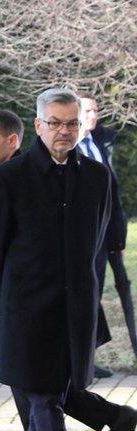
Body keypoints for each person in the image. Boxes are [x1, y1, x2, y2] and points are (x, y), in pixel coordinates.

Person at [0, 110, 136, 431]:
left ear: (12, 140)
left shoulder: (33, 178)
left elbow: (24, 242)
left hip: (37, 300)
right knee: (31, 383)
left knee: (40, 386)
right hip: (7, 295)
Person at [0, 88, 112, 431]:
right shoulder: (10, 177)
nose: (64, 131)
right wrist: (10, 298)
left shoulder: (96, 176)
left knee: (52, 392)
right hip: (27, 307)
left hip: (75, 305)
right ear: (37, 125)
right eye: (55, 122)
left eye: (72, 123)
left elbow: (96, 240)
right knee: (43, 395)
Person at [78, 95, 128, 378]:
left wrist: (117, 238)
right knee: (86, 296)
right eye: (88, 110)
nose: (94, 115)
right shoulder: (71, 149)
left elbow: (111, 196)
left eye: (96, 110)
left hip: (104, 239)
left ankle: (87, 361)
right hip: (85, 240)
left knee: (94, 296)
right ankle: (82, 364)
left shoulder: (98, 145)